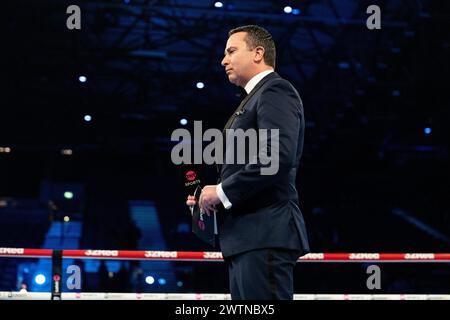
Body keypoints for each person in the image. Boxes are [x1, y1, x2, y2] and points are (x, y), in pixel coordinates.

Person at [186, 25, 310, 300]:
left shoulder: (275, 90)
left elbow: (276, 157)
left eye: (231, 51)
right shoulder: (253, 100)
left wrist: (220, 191)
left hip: (264, 233)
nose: (223, 60)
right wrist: (211, 198)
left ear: (258, 53)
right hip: (249, 238)